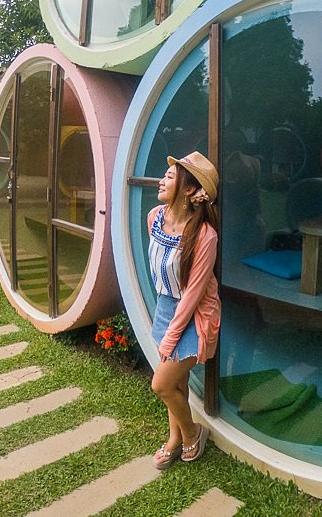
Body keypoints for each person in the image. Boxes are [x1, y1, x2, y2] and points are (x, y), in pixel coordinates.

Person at [148, 151, 220, 469]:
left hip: (193, 318)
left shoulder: (205, 235)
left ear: (190, 190)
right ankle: (174, 439)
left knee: (161, 384)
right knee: (176, 384)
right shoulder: (154, 217)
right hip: (165, 308)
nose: (162, 180)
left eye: (171, 177)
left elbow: (192, 296)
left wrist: (169, 338)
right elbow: (160, 271)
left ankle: (192, 433)